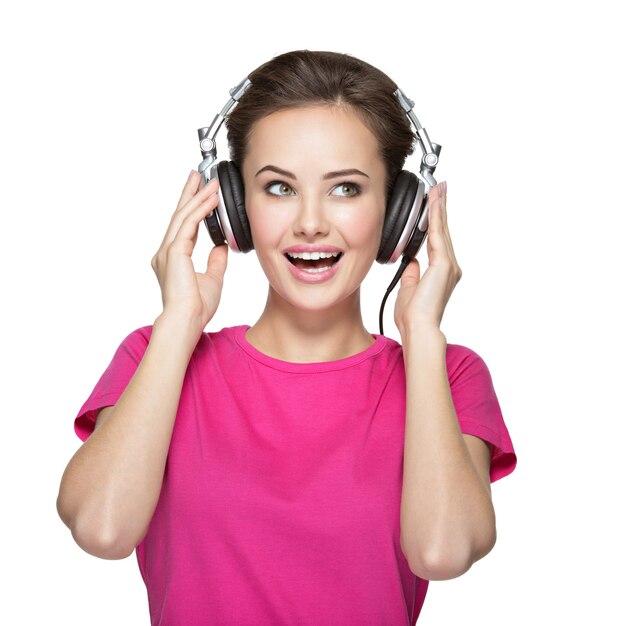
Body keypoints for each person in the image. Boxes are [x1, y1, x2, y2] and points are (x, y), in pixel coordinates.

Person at [56, 49, 517, 625]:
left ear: (400, 214)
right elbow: (101, 528)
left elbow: (442, 551)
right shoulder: (157, 357)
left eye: (346, 189)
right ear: (233, 207)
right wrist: (178, 322)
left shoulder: (449, 375)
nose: (310, 222)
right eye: (278, 188)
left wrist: (423, 336)